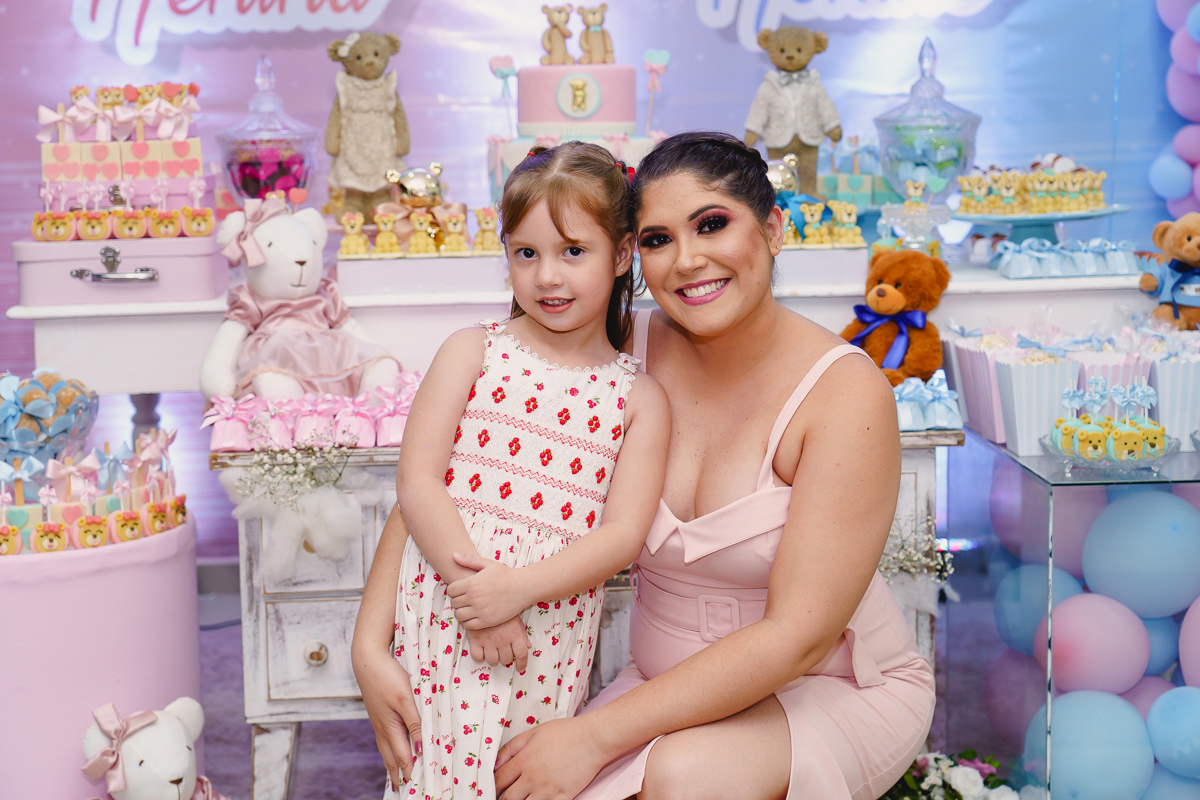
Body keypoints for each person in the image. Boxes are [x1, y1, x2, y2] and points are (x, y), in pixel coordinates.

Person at [491, 132, 935, 800]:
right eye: (658, 239)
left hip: (826, 686)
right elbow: (461, 460)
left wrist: (592, 736)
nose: (687, 260)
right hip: (665, 688)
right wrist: (372, 648)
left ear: (774, 229)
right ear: (632, 254)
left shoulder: (845, 392)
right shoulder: (619, 350)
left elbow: (797, 638)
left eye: (712, 224)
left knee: (685, 777)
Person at [353, 142, 670, 800]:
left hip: (546, 629)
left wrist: (517, 591)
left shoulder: (638, 398)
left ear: (621, 255)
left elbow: (621, 537)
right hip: (445, 612)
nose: (547, 276)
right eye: (526, 253)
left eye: (572, 251)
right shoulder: (472, 351)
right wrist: (479, 599)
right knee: (430, 780)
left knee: (520, 781)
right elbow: (417, 486)